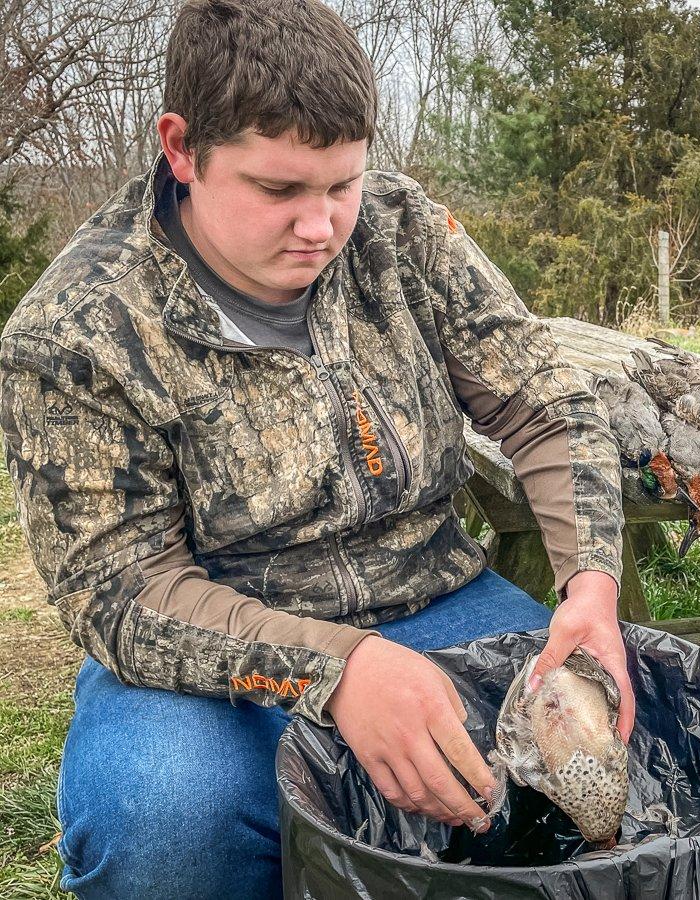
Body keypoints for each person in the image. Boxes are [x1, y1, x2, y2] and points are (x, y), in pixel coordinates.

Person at [0, 1, 633, 896]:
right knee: (162, 821)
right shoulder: (77, 330)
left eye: (343, 186)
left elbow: (547, 398)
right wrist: (337, 668)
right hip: (213, 663)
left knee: (586, 771)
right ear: (181, 150)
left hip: (433, 596)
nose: (322, 226)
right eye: (279, 191)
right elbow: (120, 592)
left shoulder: (402, 230)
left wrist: (591, 584)